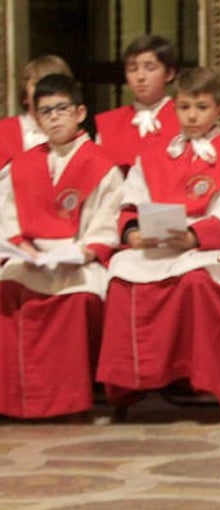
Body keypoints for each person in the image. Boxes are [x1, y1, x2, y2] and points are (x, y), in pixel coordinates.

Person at [98, 67, 220, 411]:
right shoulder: (153, 155)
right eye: (184, 107)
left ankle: (200, 380)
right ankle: (130, 386)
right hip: (156, 247)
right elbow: (130, 200)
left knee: (195, 283)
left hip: (207, 248)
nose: (191, 116)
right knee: (122, 278)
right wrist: (133, 232)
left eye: (201, 107)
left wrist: (193, 235)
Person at [0, 74, 123, 419]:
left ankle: (68, 402)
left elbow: (105, 224)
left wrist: (79, 253)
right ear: (36, 118)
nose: (54, 117)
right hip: (31, 257)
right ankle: (13, 401)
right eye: (45, 112)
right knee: (6, 290)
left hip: (78, 260)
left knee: (78, 300)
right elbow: (7, 217)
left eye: (61, 109)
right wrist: (26, 249)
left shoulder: (101, 165)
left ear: (80, 112)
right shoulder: (20, 165)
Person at [95, 34, 181, 174]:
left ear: (169, 74)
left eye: (150, 68)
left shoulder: (185, 118)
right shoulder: (109, 124)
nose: (140, 77)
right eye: (132, 69)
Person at [0, 55, 73, 173]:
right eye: (38, 84)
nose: (45, 91)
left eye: (53, 84)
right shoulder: (3, 132)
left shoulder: (74, 137)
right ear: (24, 95)